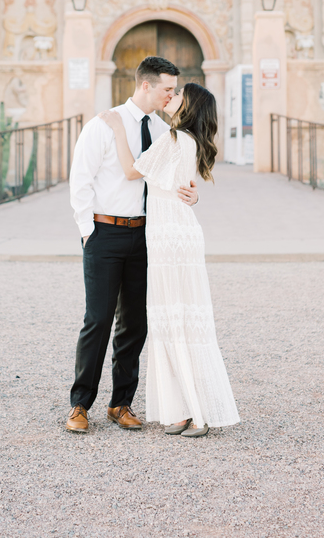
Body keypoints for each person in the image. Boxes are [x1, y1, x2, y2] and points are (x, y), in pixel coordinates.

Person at [66, 56, 199, 433]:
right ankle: (80, 405)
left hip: (147, 236)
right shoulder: (103, 124)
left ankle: (121, 403)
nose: (172, 95)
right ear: (146, 85)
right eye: (167, 89)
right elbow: (81, 179)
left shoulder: (162, 130)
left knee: (135, 324)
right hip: (105, 233)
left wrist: (192, 196)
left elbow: (174, 179)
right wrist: (87, 230)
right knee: (98, 320)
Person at [99, 82, 239, 437]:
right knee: (177, 320)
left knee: (174, 320)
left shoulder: (176, 139)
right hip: (177, 233)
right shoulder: (189, 141)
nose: (170, 97)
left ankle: (194, 411)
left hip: (169, 239)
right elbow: (181, 185)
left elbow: (131, 171)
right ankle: (186, 409)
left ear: (187, 107)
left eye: (177, 96)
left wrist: (117, 128)